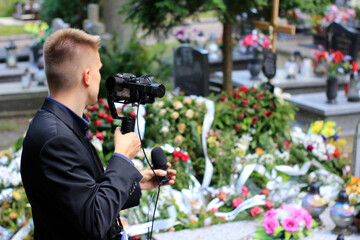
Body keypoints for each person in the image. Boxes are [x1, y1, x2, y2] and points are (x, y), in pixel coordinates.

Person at [20, 28, 176, 240]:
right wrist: (122, 157)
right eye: (99, 69)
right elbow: (93, 221)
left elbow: (80, 196)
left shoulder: (60, 124)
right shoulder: (55, 138)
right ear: (87, 76)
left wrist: (136, 182)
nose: (100, 77)